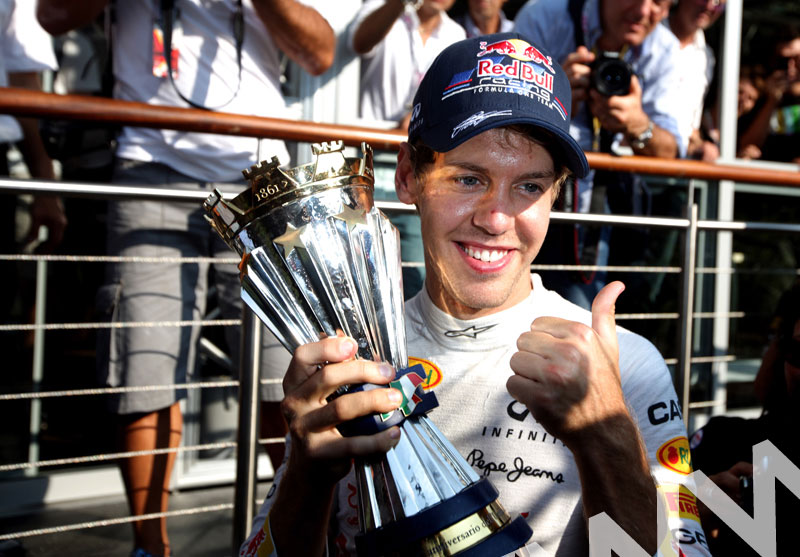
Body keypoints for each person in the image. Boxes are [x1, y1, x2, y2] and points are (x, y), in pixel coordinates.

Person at [241, 33, 711, 556]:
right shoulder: (351, 358)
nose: (495, 219)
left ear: (557, 195)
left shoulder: (626, 366)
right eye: (468, 179)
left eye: (529, 186)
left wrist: (605, 434)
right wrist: (308, 475)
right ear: (408, 177)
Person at [36, 2, 335, 557]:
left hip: (258, 180)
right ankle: (150, 547)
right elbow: (51, 15)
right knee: (144, 367)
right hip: (149, 168)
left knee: (284, 373)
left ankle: (297, 536)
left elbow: (320, 51)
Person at [513, 0, 688, 309]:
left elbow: (672, 152)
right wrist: (555, 98)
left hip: (612, 214)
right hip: (530, 198)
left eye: (660, 3)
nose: (644, 11)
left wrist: (639, 126)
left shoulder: (664, 48)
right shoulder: (544, 17)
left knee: (592, 316)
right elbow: (502, 120)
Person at [348, 0, 465, 298]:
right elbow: (359, 43)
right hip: (367, 164)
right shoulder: (383, 8)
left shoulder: (456, 33)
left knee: (415, 280)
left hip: (419, 167)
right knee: (357, 283)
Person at [665, 0, 726, 162]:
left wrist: (702, 146)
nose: (709, 6)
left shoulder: (706, 57)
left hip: (676, 171)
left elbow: (691, 129)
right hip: (631, 160)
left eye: (718, 2)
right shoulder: (646, 35)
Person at [736, 26, 800, 164]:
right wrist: (771, 101)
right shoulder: (755, 96)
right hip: (767, 177)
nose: (791, 68)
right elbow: (747, 145)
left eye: (797, 59)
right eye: (783, 61)